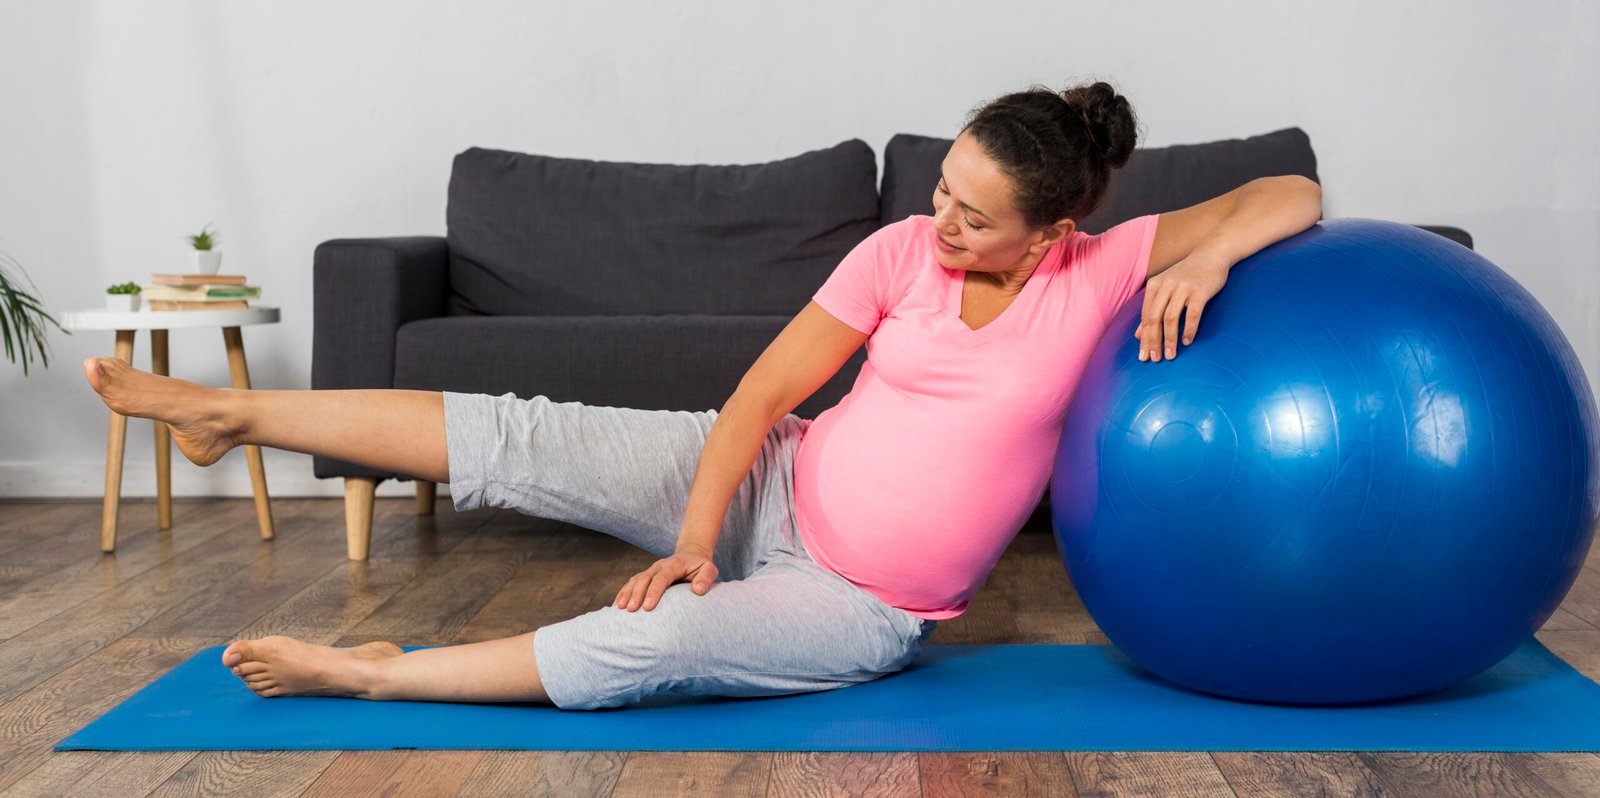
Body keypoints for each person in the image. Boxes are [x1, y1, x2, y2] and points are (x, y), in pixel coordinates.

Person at [82, 81, 1322, 711]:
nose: (939, 219)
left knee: (660, 646)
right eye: (942, 188)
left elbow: (1292, 191)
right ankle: (230, 416)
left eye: (971, 215)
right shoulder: (900, 252)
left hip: (861, 606)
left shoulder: (1099, 266)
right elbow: (761, 392)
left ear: (1049, 233)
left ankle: (372, 676)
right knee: (528, 435)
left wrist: (1206, 257)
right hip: (778, 471)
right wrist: (694, 537)